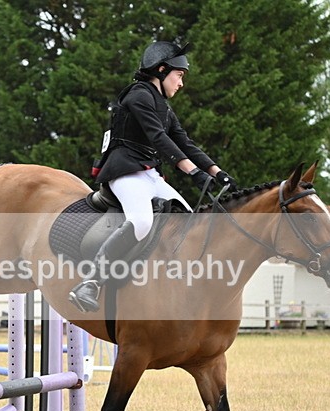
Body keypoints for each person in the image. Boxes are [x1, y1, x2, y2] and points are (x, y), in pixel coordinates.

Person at [69, 40, 238, 313]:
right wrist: (192, 172)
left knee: (188, 221)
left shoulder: (164, 107)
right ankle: (90, 282)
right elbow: (158, 138)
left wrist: (217, 172)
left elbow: (184, 142)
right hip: (125, 172)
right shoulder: (137, 95)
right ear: (161, 70)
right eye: (179, 75)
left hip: (150, 175)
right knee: (142, 222)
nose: (181, 83)